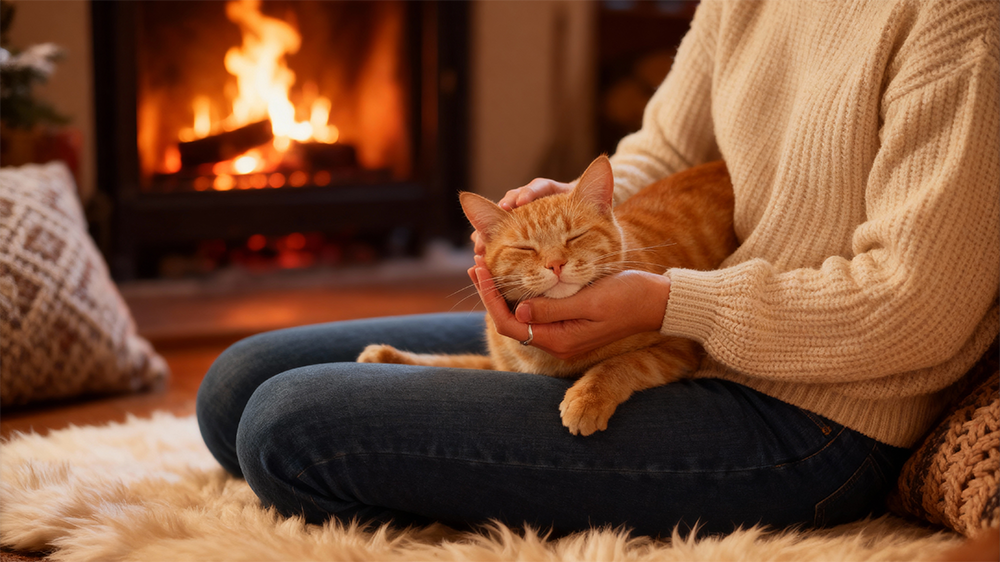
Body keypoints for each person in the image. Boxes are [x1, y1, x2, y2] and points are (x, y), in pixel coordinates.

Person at [196, 0, 999, 537]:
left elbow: (915, 309)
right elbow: (664, 153)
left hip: (812, 411)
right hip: (672, 311)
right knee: (239, 382)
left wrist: (668, 304)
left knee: (288, 426)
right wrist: (577, 207)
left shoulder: (959, 24)